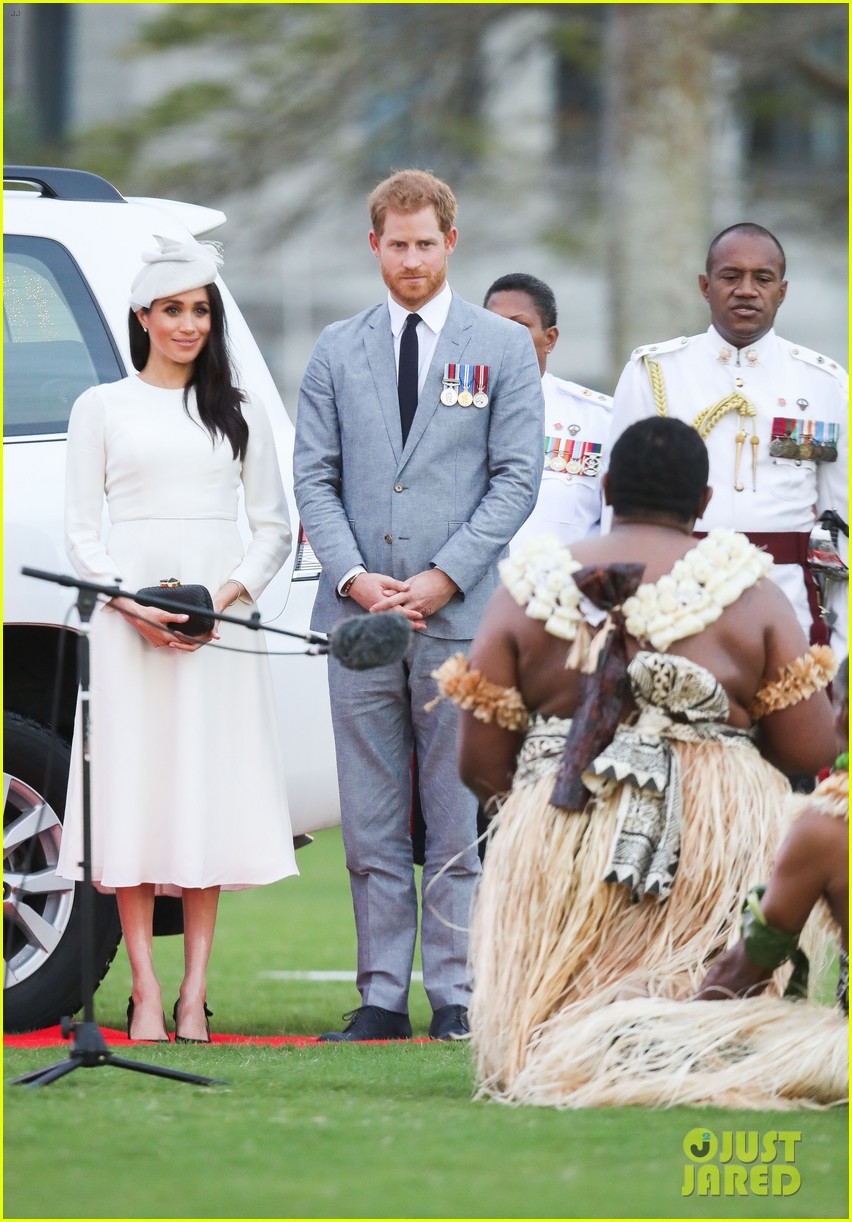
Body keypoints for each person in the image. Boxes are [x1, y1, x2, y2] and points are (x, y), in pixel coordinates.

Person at [432, 416, 837, 1104]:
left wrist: (553, 817)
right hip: (708, 848)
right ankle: (694, 1034)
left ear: (609, 488)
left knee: (546, 1037)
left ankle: (557, 1032)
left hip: (561, 822)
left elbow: (479, 764)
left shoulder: (528, 587)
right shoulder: (753, 592)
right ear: (704, 502)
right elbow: (807, 750)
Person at [293, 169, 543, 1042]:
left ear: (451, 242)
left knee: (453, 818)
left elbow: (516, 479)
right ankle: (380, 998)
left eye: (424, 244)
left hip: (460, 621)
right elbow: (312, 478)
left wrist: (444, 574)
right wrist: (356, 578)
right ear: (375, 246)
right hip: (359, 623)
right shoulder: (335, 348)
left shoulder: (501, 348)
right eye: (395, 244)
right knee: (366, 821)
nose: (410, 259)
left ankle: (458, 995)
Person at [57, 236, 297, 1043]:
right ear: (142, 317)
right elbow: (81, 534)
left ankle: (195, 992)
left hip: (215, 633)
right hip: (129, 631)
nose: (188, 324)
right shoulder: (101, 407)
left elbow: (272, 530)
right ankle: (146, 991)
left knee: (202, 794)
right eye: (173, 310)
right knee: (136, 796)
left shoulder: (240, 410)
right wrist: (134, 607)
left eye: (200, 310)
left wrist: (217, 602)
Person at [608, 222, 848, 658]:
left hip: (789, 602)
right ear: (705, 286)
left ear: (783, 291)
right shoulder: (655, 372)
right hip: (675, 602)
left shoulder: (824, 383)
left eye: (762, 278)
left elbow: (841, 523)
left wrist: (841, 644)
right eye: (730, 276)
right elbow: (617, 511)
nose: (746, 290)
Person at [484, 273, 613, 550]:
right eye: (492, 326)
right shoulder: (451, 413)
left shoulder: (599, 419)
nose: (503, 339)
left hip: (565, 587)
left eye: (518, 327)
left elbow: (615, 527)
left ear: (549, 339)